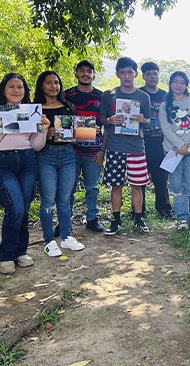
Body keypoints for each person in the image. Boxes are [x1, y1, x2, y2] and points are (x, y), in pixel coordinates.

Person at [0, 73, 50, 274]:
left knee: (24, 209)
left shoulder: (31, 111)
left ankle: (20, 252)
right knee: (15, 208)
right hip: (2, 162)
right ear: (4, 89)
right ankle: (6, 255)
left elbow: (36, 146)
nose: (16, 90)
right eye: (11, 86)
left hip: (27, 160)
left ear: (25, 90)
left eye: (20, 87)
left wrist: (43, 129)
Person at [33, 71, 85, 257]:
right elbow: (30, 137)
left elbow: (76, 134)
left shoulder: (68, 107)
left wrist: (88, 131)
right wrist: (44, 134)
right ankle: (48, 241)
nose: (53, 86)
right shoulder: (35, 110)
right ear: (41, 85)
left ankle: (66, 237)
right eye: (48, 82)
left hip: (68, 155)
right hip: (45, 156)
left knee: (64, 199)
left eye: (56, 82)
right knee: (48, 199)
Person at [99, 57, 152, 234]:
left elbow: (148, 121)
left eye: (130, 72)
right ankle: (116, 220)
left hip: (136, 147)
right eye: (123, 72)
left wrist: (143, 120)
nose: (127, 76)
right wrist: (109, 120)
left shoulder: (143, 96)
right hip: (115, 146)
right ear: (117, 74)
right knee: (116, 185)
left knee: (137, 185)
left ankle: (139, 218)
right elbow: (101, 118)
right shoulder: (109, 95)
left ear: (136, 74)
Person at [160, 72, 190, 226]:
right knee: (176, 184)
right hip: (172, 151)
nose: (178, 85)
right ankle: (182, 217)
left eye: (182, 82)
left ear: (186, 85)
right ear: (170, 84)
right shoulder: (165, 105)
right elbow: (166, 128)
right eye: (175, 82)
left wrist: (185, 144)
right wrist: (179, 146)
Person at [65, 60, 105, 233]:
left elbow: (106, 126)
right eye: (82, 70)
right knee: (68, 189)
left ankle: (92, 219)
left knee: (92, 187)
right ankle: (65, 221)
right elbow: (62, 125)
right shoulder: (66, 96)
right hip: (70, 151)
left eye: (89, 71)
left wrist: (102, 151)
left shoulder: (102, 97)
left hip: (94, 152)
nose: (85, 74)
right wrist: (88, 130)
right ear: (76, 74)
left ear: (94, 76)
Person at [139, 61, 175, 219]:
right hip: (141, 143)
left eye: (155, 74)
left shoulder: (166, 96)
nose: (152, 77)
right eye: (149, 74)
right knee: (139, 178)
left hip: (161, 142)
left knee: (161, 178)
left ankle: (164, 208)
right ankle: (138, 210)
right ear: (143, 76)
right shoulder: (138, 94)